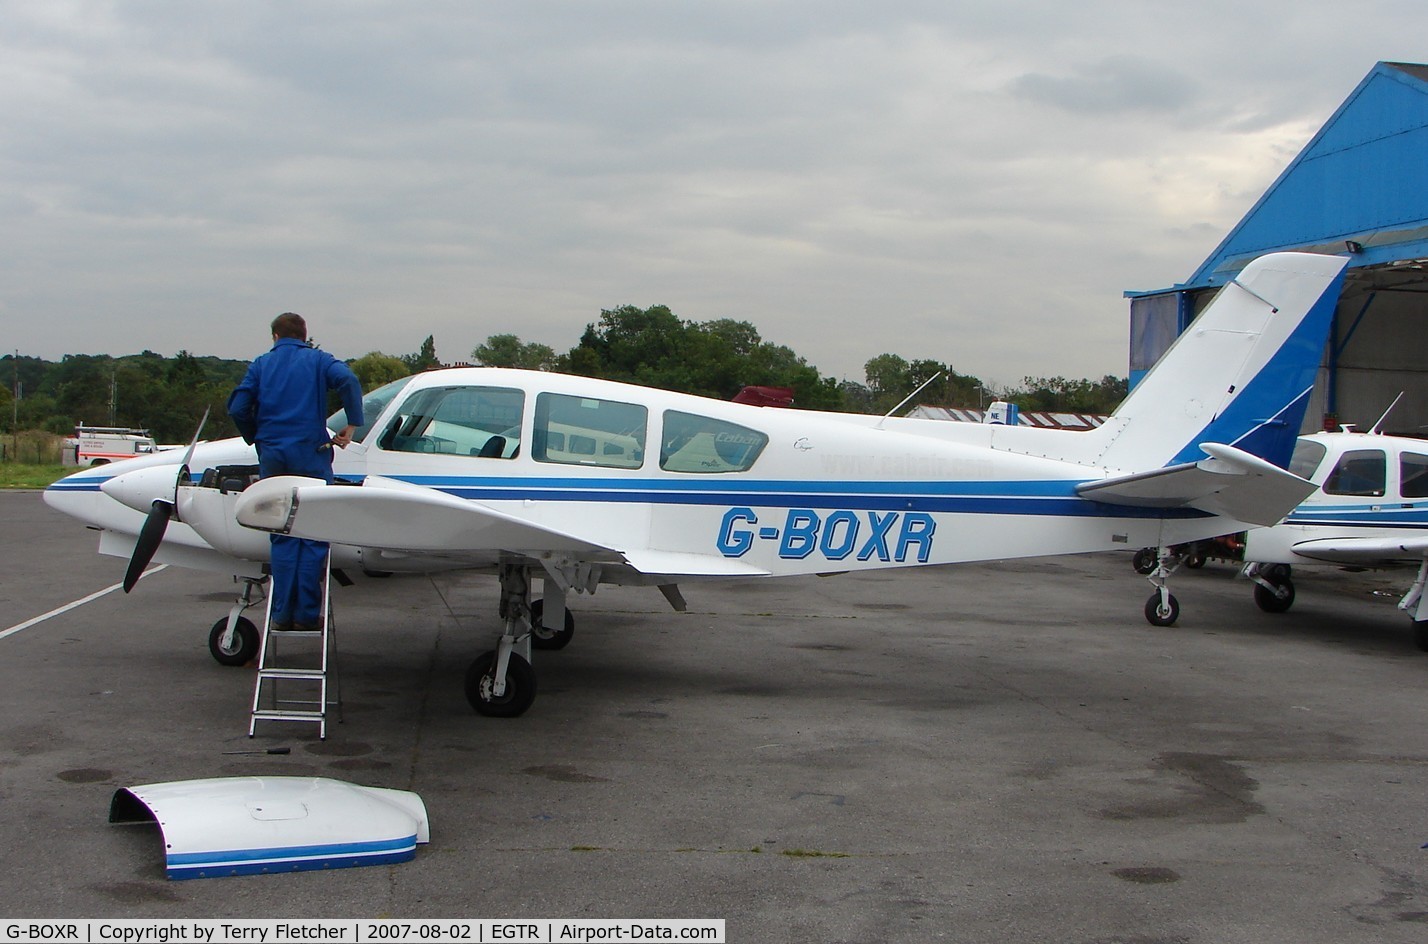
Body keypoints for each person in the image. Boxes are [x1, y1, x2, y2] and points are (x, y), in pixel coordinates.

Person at [228, 312, 365, 631]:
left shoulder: (261, 365)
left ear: (275, 336)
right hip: (310, 454)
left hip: (274, 457)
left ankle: (281, 614)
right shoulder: (319, 361)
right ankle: (305, 615)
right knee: (312, 533)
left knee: (283, 533)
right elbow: (348, 380)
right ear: (304, 335)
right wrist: (352, 423)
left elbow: (237, 407)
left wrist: (255, 435)